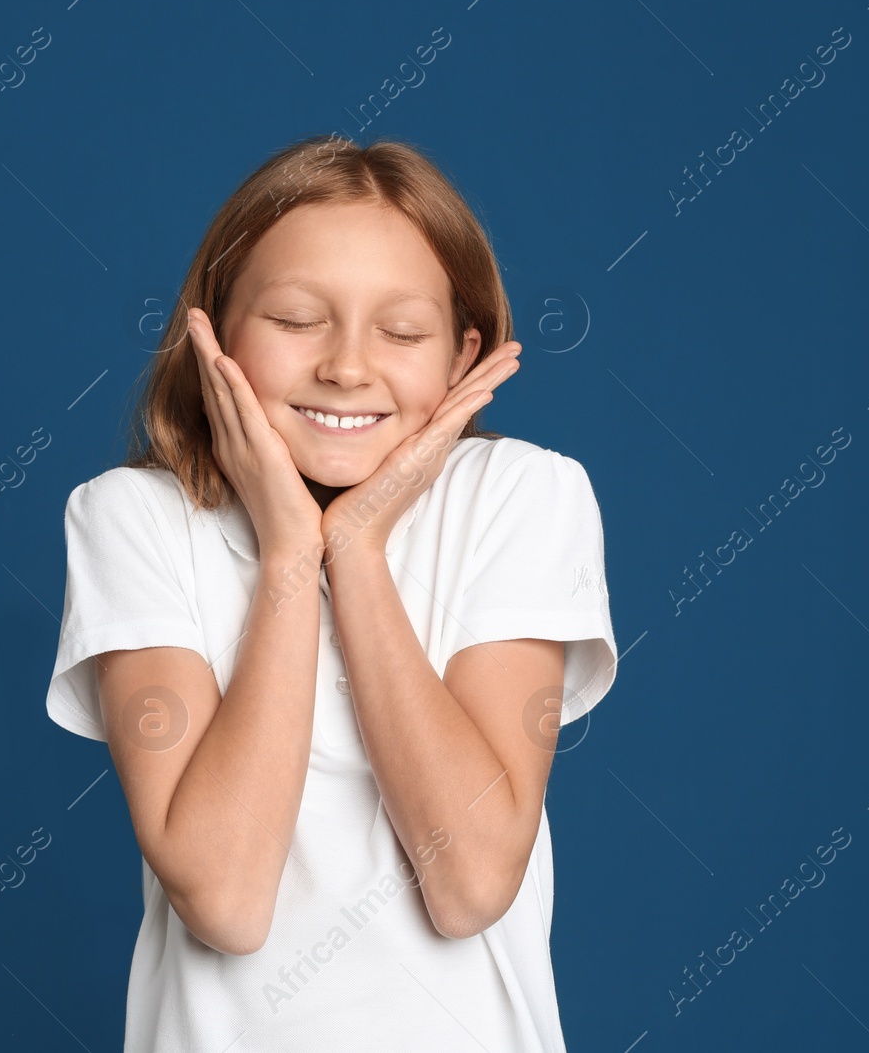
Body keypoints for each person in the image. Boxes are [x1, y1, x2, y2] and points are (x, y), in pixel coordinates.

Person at [44, 133, 618, 1051]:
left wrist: (355, 550)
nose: (348, 368)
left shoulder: (524, 497)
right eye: (298, 319)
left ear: (463, 355)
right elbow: (226, 900)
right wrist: (285, 558)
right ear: (214, 330)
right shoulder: (132, 519)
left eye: (400, 331)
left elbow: (469, 882)